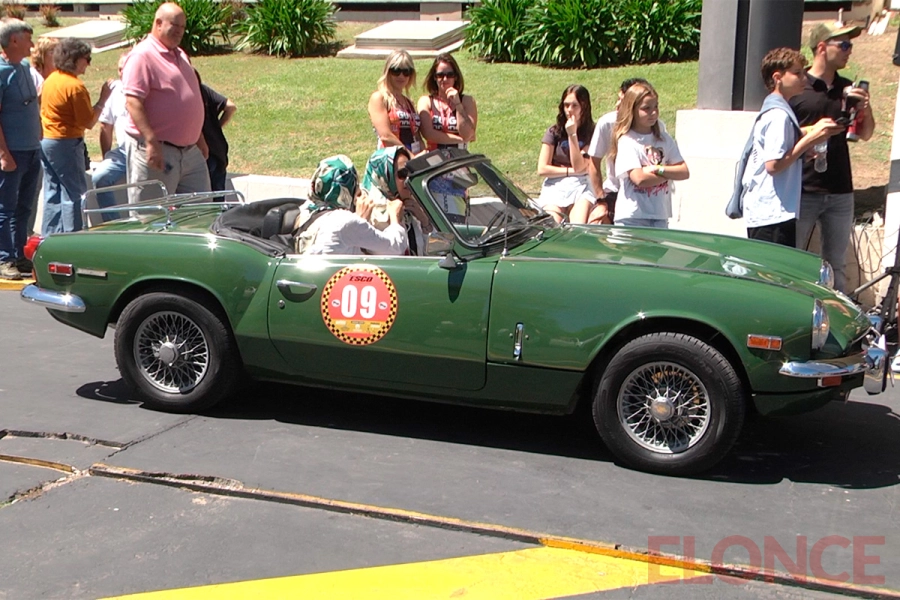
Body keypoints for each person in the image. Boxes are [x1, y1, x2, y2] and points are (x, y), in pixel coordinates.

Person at [790, 23, 874, 292]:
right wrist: (814, 131)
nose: (850, 50)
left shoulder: (847, 88)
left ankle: (836, 313)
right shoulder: (798, 87)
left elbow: (866, 134)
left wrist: (865, 109)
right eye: (844, 45)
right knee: (792, 260)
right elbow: (781, 136)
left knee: (837, 264)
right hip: (802, 188)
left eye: (851, 45)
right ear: (822, 47)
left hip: (840, 189)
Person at [742, 48, 842, 246]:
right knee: (774, 266)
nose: (804, 78)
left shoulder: (778, 110)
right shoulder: (778, 115)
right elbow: (773, 165)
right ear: (777, 78)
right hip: (771, 212)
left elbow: (782, 152)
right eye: (797, 73)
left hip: (772, 210)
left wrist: (807, 142)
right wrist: (810, 139)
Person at [122, 2, 209, 204]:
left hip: (190, 153)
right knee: (152, 216)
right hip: (158, 150)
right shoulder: (142, 56)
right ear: (158, 23)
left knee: (201, 214)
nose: (179, 31)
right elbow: (133, 102)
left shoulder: (181, 55)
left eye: (182, 27)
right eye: (174, 25)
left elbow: (188, 99)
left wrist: (199, 138)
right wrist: (151, 141)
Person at [39, 38, 111, 235]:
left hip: (47, 140)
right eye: (87, 59)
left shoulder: (51, 79)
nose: (88, 64)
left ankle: (50, 237)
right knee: (75, 194)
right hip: (66, 142)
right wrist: (103, 100)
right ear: (75, 59)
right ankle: (73, 236)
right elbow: (88, 122)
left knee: (53, 192)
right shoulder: (75, 87)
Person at [610, 82, 689, 228]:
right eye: (646, 108)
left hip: (659, 215)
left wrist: (657, 169)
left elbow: (684, 172)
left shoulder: (664, 139)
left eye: (656, 107)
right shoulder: (627, 141)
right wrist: (670, 173)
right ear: (632, 110)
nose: (653, 113)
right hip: (632, 217)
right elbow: (639, 179)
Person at [577, 77, 652, 225]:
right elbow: (593, 163)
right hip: (614, 191)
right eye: (618, 99)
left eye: (622, 101)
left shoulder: (654, 128)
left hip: (644, 194)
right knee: (596, 223)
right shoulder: (607, 123)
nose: (617, 105)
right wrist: (601, 201)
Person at [297, 155, 406, 255]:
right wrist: (395, 218)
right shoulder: (345, 221)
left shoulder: (304, 212)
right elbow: (394, 248)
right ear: (346, 194)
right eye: (357, 191)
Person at [0, 19, 41, 280]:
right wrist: (3, 154)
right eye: (27, 39)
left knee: (24, 207)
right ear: (13, 40)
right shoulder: (1, 72)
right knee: (5, 208)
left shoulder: (24, 67)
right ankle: (4, 258)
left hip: (31, 149)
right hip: (12, 152)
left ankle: (18, 255)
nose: (32, 44)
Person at [535, 84, 595, 224]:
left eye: (574, 105)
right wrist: (570, 171)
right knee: (553, 224)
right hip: (555, 185)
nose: (569, 110)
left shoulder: (592, 132)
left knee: (577, 226)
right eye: (566, 105)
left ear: (584, 106)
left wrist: (572, 134)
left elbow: (579, 166)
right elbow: (542, 169)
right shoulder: (553, 132)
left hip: (582, 184)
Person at [362, 146, 431, 255]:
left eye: (411, 172)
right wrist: (395, 221)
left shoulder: (412, 206)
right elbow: (389, 256)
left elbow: (434, 253)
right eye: (402, 174)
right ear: (384, 177)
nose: (408, 178)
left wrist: (425, 222)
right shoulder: (372, 217)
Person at [92, 52, 130, 221]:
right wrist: (106, 156)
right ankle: (113, 222)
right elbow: (105, 127)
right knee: (100, 177)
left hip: (148, 150)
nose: (122, 73)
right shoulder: (115, 90)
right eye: (119, 69)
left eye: (126, 69)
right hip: (123, 153)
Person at [417, 53, 477, 151]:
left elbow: (467, 133)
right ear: (434, 77)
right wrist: (460, 140)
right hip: (435, 154)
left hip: (460, 155)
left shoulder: (467, 101)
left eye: (450, 75)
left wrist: (458, 104)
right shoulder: (426, 101)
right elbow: (428, 133)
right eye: (440, 75)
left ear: (456, 77)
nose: (445, 79)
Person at [368, 49, 423, 154]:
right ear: (388, 72)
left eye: (406, 72)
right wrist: (410, 156)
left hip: (413, 156)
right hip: (392, 157)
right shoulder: (379, 98)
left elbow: (416, 135)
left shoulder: (409, 103)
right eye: (396, 71)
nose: (401, 76)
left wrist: (423, 154)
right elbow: (386, 136)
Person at [196, 69, 236, 193]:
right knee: (218, 199)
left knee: (202, 199)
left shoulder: (187, 96)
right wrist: (217, 126)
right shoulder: (204, 90)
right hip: (219, 151)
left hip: (203, 154)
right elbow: (231, 107)